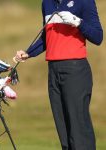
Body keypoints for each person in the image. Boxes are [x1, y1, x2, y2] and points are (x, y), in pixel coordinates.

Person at [13, 0, 103, 150]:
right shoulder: (47, 3)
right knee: (63, 128)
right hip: (53, 70)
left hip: (75, 70)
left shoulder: (84, 1)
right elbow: (46, 38)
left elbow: (98, 36)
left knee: (78, 127)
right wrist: (29, 52)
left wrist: (77, 22)